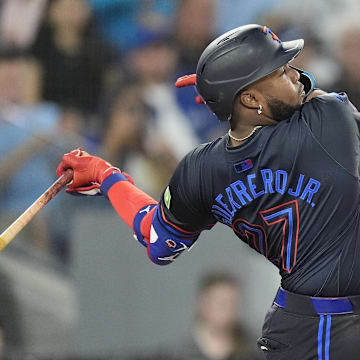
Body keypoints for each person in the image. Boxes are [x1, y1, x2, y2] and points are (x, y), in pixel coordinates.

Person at [56, 24, 360, 359]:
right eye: (279, 71)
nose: (293, 73)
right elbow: (310, 86)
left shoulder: (200, 170)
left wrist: (108, 178)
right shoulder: (328, 120)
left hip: (298, 324)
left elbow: (158, 243)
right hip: (332, 327)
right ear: (250, 98)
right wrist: (222, 87)